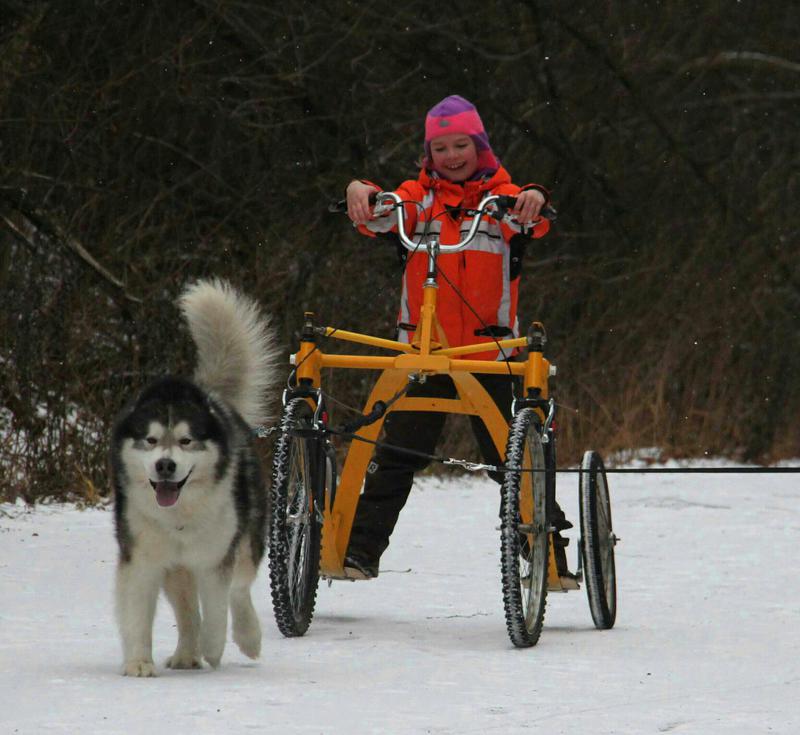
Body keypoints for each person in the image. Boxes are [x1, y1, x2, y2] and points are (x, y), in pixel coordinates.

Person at [343, 94, 572, 581]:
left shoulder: (501, 203)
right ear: (429, 154)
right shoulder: (417, 201)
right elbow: (378, 211)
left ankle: (549, 554)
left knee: (509, 463)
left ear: (480, 146)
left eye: (460, 145)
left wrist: (531, 196)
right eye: (441, 148)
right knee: (397, 456)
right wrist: (359, 188)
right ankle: (358, 552)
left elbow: (534, 214)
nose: (451, 156)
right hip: (425, 351)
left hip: (491, 356)